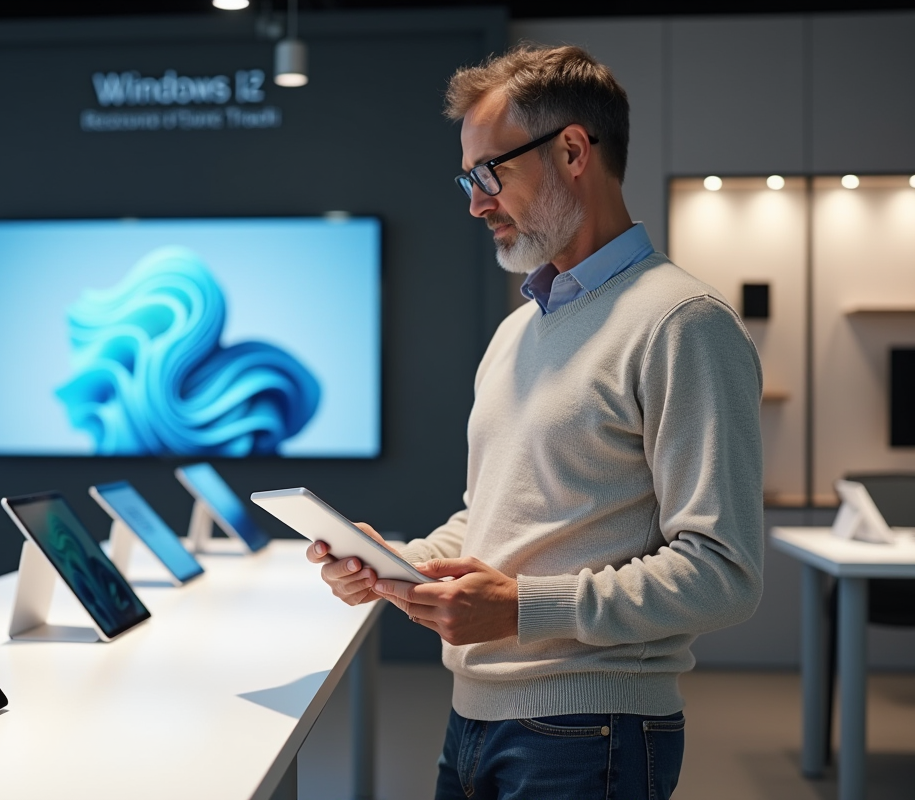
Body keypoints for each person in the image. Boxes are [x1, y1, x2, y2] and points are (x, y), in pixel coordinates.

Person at [306, 44, 764, 799]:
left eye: (490, 173)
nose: (476, 203)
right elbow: (495, 517)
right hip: (472, 719)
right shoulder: (519, 330)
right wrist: (399, 567)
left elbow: (724, 573)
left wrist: (521, 607)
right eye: (469, 178)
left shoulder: (683, 323)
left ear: (573, 151)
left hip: (594, 731)